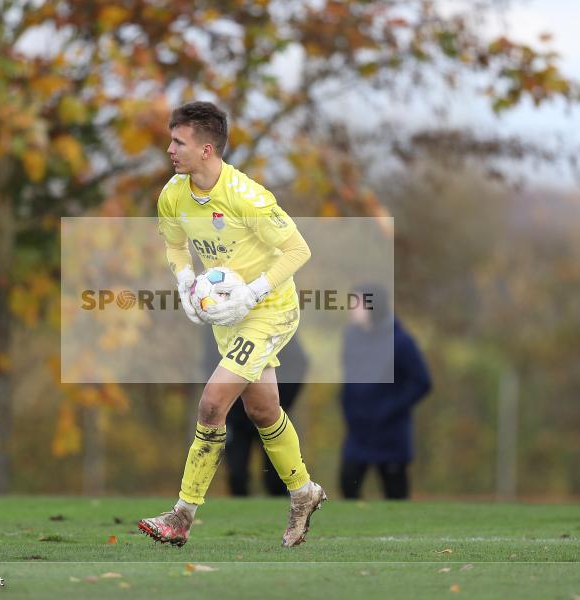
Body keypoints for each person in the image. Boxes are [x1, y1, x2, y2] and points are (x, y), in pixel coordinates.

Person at [138, 101, 326, 547]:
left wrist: (252, 291)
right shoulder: (173, 194)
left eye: (178, 142)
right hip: (228, 316)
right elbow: (177, 246)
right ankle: (304, 493)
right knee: (262, 411)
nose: (170, 149)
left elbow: (299, 250)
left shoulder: (247, 197)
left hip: (270, 309)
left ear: (206, 149)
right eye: (170, 139)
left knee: (211, 404)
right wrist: (185, 283)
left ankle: (181, 517)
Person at [339, 286, 431, 500]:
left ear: (373, 306)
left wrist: (390, 408)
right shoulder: (351, 337)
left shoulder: (401, 342)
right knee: (347, 484)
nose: (352, 309)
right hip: (358, 432)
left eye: (358, 303)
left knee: (395, 494)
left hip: (390, 433)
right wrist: (347, 406)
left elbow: (422, 382)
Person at [216, 335, 309, 496]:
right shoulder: (222, 328)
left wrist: (280, 402)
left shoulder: (272, 326)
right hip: (235, 417)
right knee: (236, 474)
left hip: (270, 415)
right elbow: (209, 366)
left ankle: (286, 512)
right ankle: (240, 514)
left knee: (277, 477)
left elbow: (299, 363)